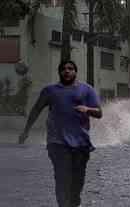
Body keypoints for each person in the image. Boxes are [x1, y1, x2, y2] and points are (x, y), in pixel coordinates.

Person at [18, 60, 103, 207]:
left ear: (75, 72)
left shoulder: (86, 89)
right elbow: (36, 110)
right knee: (62, 179)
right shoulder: (50, 90)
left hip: (81, 144)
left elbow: (99, 113)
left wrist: (87, 109)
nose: (67, 71)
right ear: (59, 72)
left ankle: (74, 203)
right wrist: (26, 131)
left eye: (70, 69)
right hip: (57, 143)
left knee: (77, 183)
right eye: (63, 69)